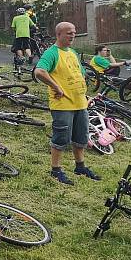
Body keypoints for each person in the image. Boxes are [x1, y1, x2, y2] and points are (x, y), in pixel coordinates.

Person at [34, 22, 100, 186]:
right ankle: (55, 170)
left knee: (81, 137)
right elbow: (39, 72)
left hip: (80, 103)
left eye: (74, 32)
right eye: (69, 33)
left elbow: (79, 75)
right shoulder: (52, 53)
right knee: (61, 138)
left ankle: (80, 167)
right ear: (59, 35)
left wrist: (85, 96)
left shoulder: (73, 53)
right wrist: (56, 86)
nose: (72, 36)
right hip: (63, 105)